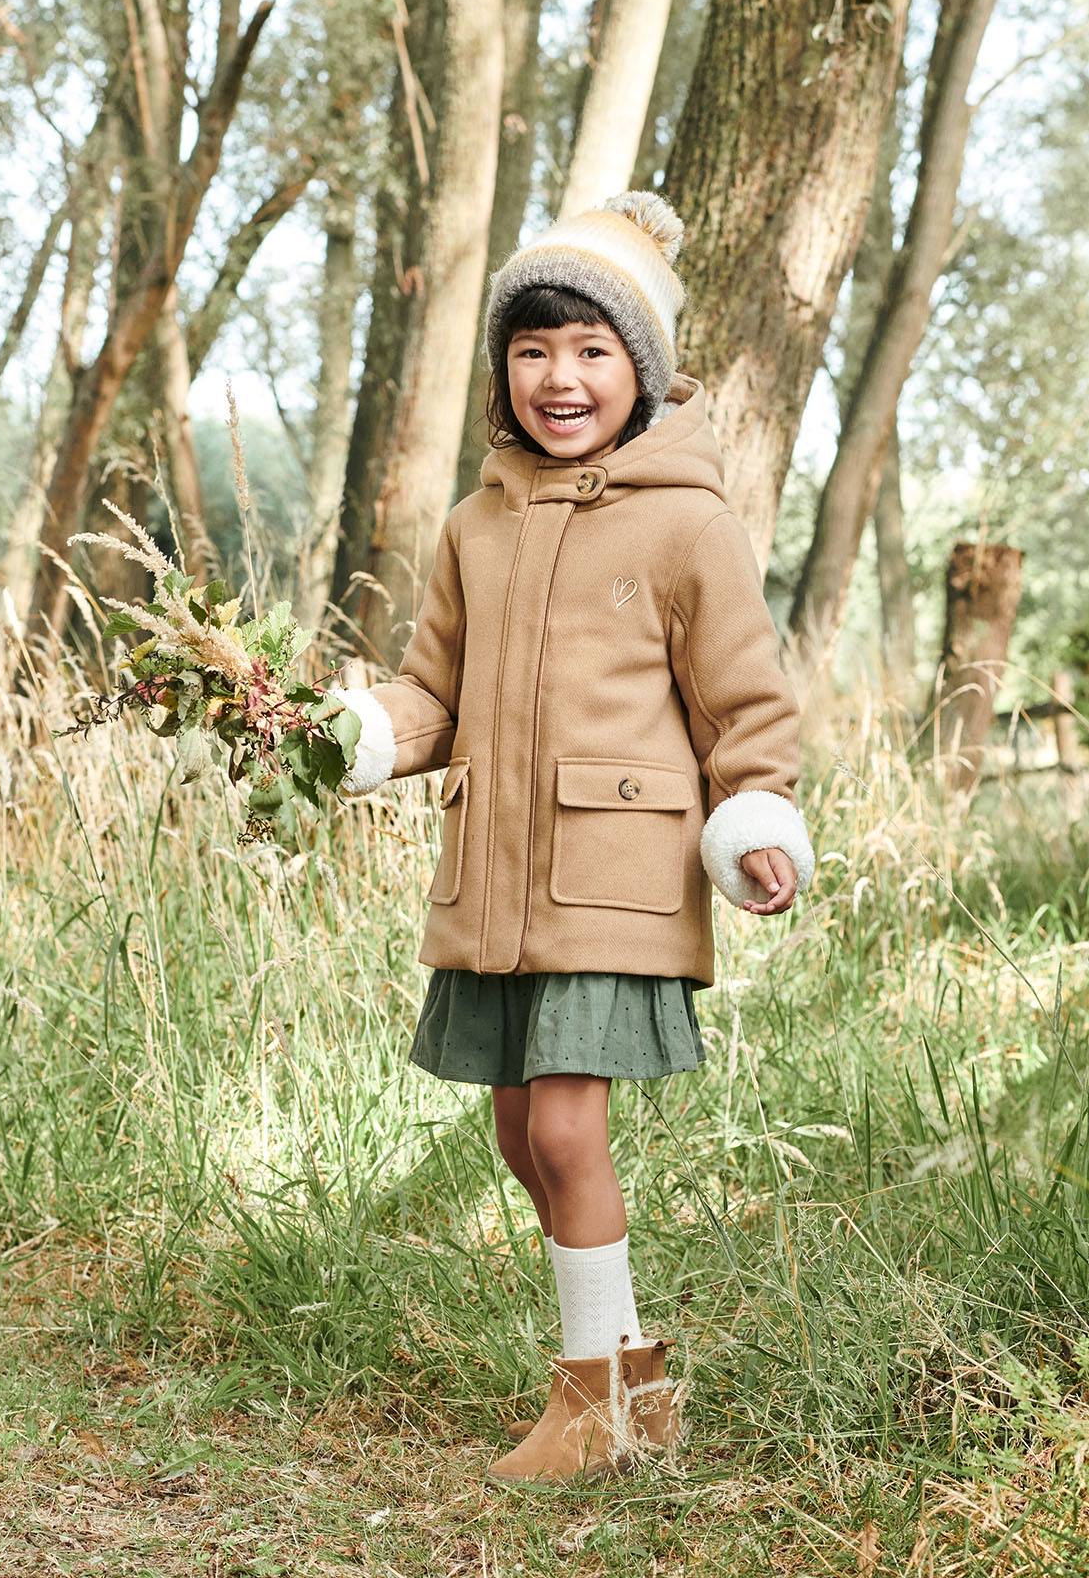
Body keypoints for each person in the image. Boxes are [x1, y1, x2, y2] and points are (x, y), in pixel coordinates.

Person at [328, 191, 815, 1486]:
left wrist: (754, 809)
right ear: (503, 367)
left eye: (594, 351)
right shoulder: (475, 526)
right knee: (512, 1135)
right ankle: (635, 1380)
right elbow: (433, 689)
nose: (561, 377)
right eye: (534, 348)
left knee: (563, 1132)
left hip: (618, 876)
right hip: (496, 881)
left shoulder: (685, 521)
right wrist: (352, 733)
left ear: (641, 372)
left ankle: (594, 1409)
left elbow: (742, 700)